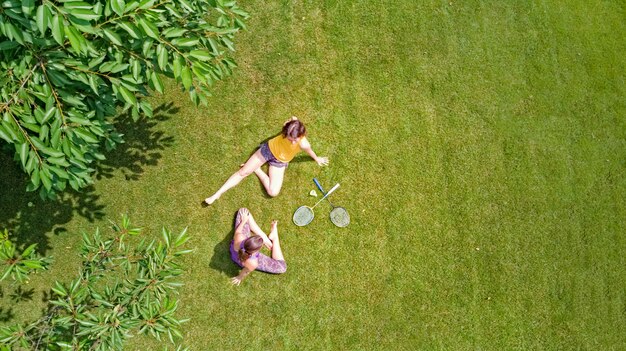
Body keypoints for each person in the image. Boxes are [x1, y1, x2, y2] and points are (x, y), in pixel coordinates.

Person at [203, 117, 329, 205]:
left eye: (294, 140)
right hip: (267, 150)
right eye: (289, 138)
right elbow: (292, 120)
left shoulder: (304, 144)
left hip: (279, 162)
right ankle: (217, 194)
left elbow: (309, 151)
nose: (292, 141)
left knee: (273, 192)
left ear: (301, 135)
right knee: (243, 172)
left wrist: (317, 159)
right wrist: (292, 120)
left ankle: (257, 169)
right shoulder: (287, 128)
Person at [230, 208, 286, 285]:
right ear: (257, 251)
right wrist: (239, 277)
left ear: (248, 239)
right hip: (243, 261)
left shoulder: (240, 238)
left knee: (243, 211)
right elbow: (245, 271)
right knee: (282, 267)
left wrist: (243, 221)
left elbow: (238, 231)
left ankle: (266, 238)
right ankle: (274, 237)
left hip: (238, 253)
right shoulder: (253, 262)